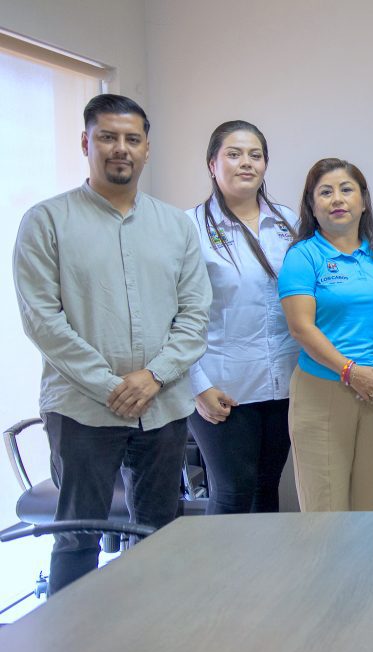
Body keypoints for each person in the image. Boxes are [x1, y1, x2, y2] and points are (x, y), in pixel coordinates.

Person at [12, 94, 211, 593]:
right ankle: (74, 639)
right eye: (107, 137)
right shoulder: (47, 221)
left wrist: (154, 376)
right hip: (82, 409)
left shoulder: (176, 226)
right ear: (86, 143)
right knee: (77, 536)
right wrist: (110, 385)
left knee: (159, 534)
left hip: (162, 406)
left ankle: (151, 633)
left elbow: (195, 316)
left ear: (147, 149)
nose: (120, 148)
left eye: (132, 139)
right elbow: (42, 320)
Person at [187, 120, 299, 515]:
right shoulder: (190, 227)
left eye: (255, 155)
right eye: (234, 155)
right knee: (233, 492)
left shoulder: (288, 223)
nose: (246, 163)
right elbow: (172, 318)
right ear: (212, 164)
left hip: (284, 384)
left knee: (266, 490)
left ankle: (266, 561)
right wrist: (197, 386)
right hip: (222, 386)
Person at [278, 159, 373, 511]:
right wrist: (350, 370)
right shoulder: (303, 256)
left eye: (347, 189)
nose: (337, 199)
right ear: (312, 205)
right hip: (322, 390)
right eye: (325, 192)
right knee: (325, 511)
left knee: (370, 508)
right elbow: (301, 327)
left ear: (363, 201)